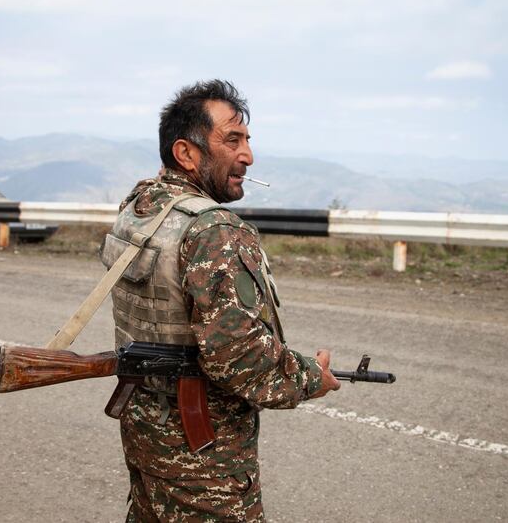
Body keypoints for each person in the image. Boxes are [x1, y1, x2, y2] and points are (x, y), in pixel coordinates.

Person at [101, 79, 340, 522]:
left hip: (146, 431)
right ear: (186, 154)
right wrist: (311, 377)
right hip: (203, 459)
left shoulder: (142, 208)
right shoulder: (215, 230)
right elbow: (240, 357)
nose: (247, 155)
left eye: (247, 140)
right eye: (232, 140)